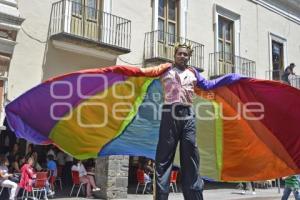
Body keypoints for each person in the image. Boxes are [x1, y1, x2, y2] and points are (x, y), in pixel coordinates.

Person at [143, 43, 204, 200]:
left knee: (190, 154)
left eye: (185, 54)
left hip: (188, 114)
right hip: (170, 113)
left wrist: (231, 80)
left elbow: (209, 85)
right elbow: (144, 73)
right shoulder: (165, 69)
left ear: (189, 56)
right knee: (164, 158)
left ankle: (194, 196)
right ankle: (161, 197)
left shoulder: (193, 73)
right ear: (175, 55)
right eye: (180, 53)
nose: (182, 56)